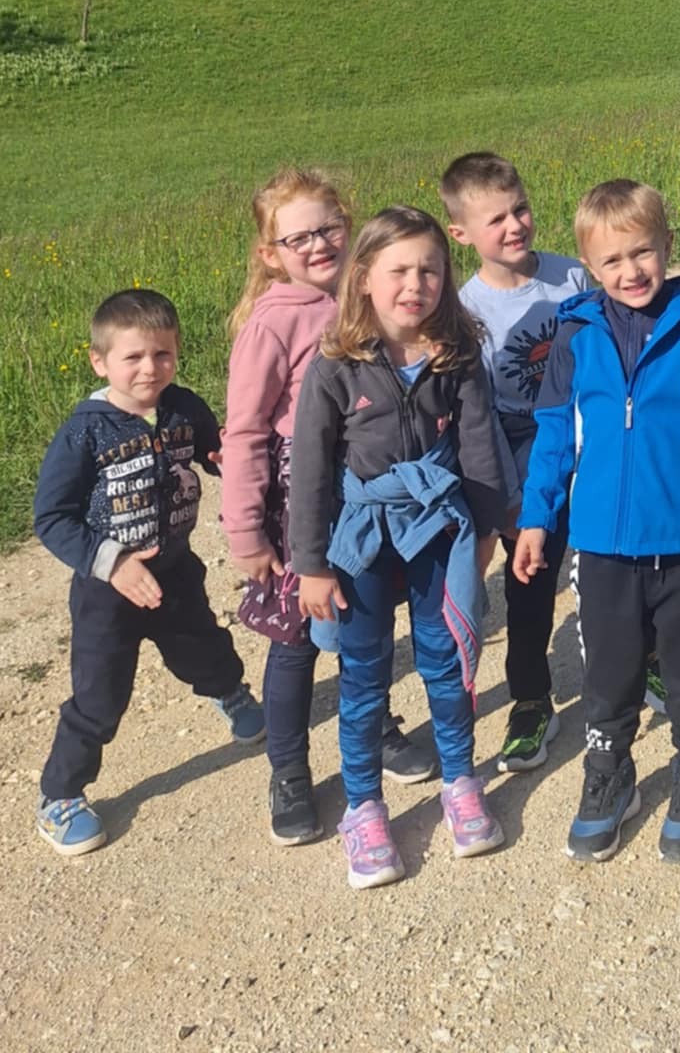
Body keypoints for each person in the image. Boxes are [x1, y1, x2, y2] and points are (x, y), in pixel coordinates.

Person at [514, 180, 680, 865]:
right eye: (613, 261)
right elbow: (552, 436)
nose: (632, 272)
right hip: (599, 543)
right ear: (589, 268)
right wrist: (538, 517)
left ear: (666, 247)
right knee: (609, 670)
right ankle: (610, 772)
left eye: (644, 253)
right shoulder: (576, 334)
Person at [291, 207, 513, 888]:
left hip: (439, 528)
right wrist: (310, 566)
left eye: (429, 269)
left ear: (446, 279)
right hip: (358, 540)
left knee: (446, 663)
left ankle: (460, 783)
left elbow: (480, 452)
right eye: (398, 270)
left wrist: (484, 532)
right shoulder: (333, 366)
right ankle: (363, 808)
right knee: (363, 680)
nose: (414, 284)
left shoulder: (456, 354)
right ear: (364, 278)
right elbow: (309, 473)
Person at [222, 167, 432, 849]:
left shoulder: (362, 296)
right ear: (270, 253)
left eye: (329, 228)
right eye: (298, 236)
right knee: (295, 639)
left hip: (362, 491)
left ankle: (373, 724)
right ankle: (288, 771)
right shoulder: (272, 323)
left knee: (362, 619)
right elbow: (246, 431)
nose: (317, 244)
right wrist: (246, 531)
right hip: (297, 497)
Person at [34, 289, 265, 857]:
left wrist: (238, 465)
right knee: (99, 695)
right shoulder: (85, 431)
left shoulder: (184, 407)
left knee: (203, 647)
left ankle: (229, 693)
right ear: (100, 361)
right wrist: (111, 565)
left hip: (176, 570)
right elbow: (51, 517)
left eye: (162, 354)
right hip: (105, 592)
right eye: (133, 357)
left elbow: (217, 456)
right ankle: (60, 795)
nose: (149, 368)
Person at [443, 150, 590, 774]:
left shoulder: (571, 278)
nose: (515, 226)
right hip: (517, 441)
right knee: (530, 575)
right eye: (496, 218)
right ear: (461, 234)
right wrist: (505, 495)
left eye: (521, 208)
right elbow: (474, 413)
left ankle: (650, 657)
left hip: (587, 426)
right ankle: (531, 697)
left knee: (618, 554)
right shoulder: (464, 309)